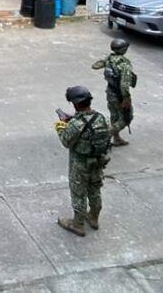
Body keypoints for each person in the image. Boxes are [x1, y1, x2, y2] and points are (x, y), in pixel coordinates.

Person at [55, 85, 111, 237]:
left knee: (78, 193)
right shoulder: (102, 119)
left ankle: (77, 224)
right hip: (98, 162)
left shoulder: (75, 124)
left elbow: (66, 141)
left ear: (75, 104)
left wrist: (61, 125)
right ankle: (93, 217)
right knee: (95, 189)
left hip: (80, 164)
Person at [91, 39, 136, 146]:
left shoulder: (110, 59)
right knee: (127, 118)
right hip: (119, 95)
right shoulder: (124, 64)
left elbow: (95, 65)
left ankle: (116, 139)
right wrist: (126, 98)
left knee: (114, 116)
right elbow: (124, 84)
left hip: (110, 92)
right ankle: (106, 135)